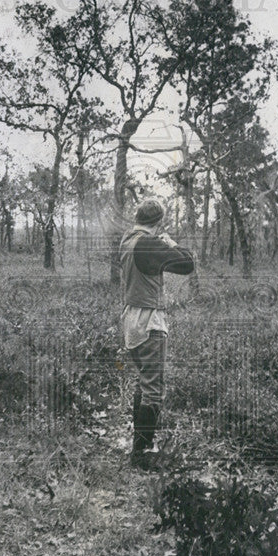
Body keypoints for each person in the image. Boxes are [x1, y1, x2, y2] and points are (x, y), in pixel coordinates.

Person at [119, 199, 195, 469]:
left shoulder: (128, 239)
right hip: (149, 319)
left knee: (144, 383)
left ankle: (139, 446)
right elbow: (187, 263)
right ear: (158, 222)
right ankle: (141, 454)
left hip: (130, 317)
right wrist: (170, 242)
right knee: (153, 389)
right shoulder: (148, 243)